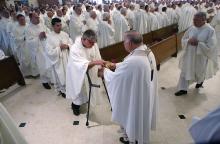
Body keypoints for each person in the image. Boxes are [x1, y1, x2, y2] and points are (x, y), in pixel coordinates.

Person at [98, 30, 158, 144]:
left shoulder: (135, 60)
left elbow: (117, 79)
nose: (123, 44)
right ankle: (133, 136)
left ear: (130, 43)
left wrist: (104, 72)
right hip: (144, 92)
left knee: (133, 115)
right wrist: (116, 65)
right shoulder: (146, 51)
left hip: (137, 96)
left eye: (124, 41)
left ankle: (133, 139)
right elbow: (129, 65)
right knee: (139, 118)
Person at [175, 12, 219, 96]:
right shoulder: (192, 28)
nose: (194, 21)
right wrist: (188, 41)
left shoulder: (210, 30)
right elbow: (183, 39)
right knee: (185, 71)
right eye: (193, 19)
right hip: (189, 56)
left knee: (199, 72)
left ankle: (199, 82)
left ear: (203, 20)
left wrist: (198, 43)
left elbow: (211, 46)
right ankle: (183, 89)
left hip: (200, 57)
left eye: (196, 20)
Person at [66, 29, 106, 116]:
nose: (93, 45)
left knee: (89, 90)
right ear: (84, 39)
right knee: (80, 91)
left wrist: (100, 68)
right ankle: (75, 106)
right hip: (78, 74)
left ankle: (88, 100)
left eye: (94, 43)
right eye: (91, 43)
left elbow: (97, 56)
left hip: (91, 72)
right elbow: (81, 66)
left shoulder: (92, 44)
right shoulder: (75, 49)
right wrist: (96, 63)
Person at [45, 18, 73, 97]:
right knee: (61, 75)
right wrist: (59, 48)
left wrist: (68, 46)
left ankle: (70, 88)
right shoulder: (50, 37)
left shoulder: (64, 34)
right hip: (58, 60)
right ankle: (63, 90)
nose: (60, 27)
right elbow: (49, 51)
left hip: (67, 57)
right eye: (57, 25)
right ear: (53, 26)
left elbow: (71, 43)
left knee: (68, 74)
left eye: (60, 25)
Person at [25, 12, 52, 89]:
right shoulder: (28, 29)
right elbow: (29, 42)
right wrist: (38, 37)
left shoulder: (42, 24)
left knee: (49, 64)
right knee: (42, 66)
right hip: (38, 50)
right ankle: (44, 81)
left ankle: (51, 79)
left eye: (38, 17)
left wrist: (46, 35)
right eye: (36, 17)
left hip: (46, 47)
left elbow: (48, 32)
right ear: (31, 19)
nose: (38, 19)